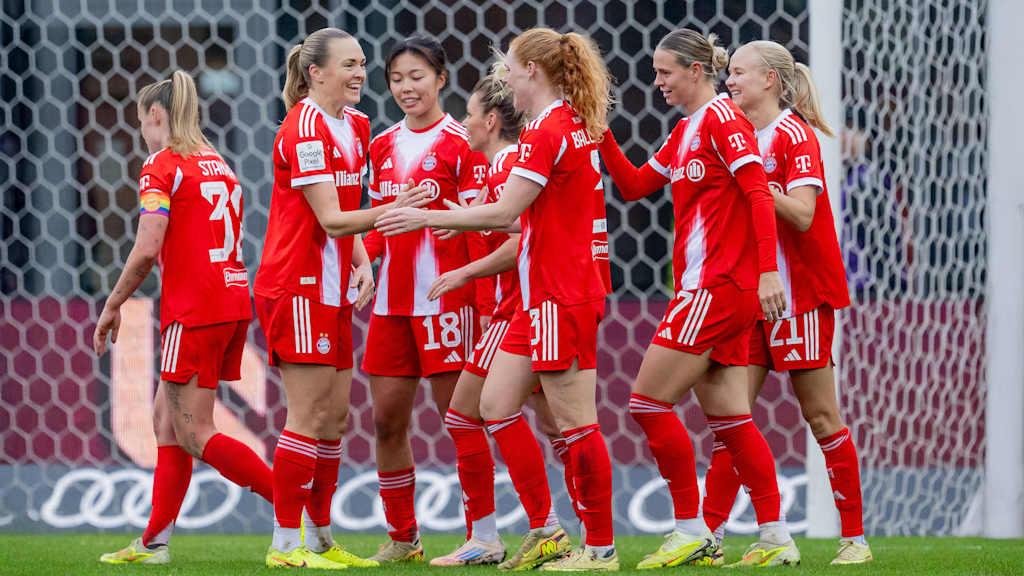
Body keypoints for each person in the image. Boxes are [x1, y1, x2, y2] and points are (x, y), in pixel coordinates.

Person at [376, 27, 619, 571]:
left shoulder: (545, 133)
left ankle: (598, 548)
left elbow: (506, 215)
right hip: (542, 296)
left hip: (559, 292)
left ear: (531, 70)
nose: (504, 74)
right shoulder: (567, 125)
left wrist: (427, 216)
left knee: (575, 422)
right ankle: (547, 529)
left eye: (508, 65)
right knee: (489, 408)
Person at [596, 29, 801, 567]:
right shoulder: (687, 129)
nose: (657, 82)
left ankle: (690, 528)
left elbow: (758, 191)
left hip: (718, 287)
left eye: (665, 72)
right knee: (731, 417)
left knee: (646, 402)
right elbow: (637, 185)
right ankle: (777, 537)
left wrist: (767, 274)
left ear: (695, 70)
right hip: (715, 288)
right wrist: (601, 135)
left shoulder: (724, 119)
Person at [254, 27, 428, 569]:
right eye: (349, 65)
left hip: (330, 287)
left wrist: (361, 263)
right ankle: (285, 545)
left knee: (333, 421)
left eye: (361, 63)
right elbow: (331, 218)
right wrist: (397, 208)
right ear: (316, 73)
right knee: (306, 416)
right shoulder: (304, 127)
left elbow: (344, 217)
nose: (359, 74)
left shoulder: (355, 124)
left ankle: (322, 540)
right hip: (297, 286)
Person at [700, 39, 870, 566]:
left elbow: (800, 214)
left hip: (799, 294)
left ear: (770, 80)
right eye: (727, 74)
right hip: (750, 296)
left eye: (740, 73)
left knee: (821, 416)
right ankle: (708, 536)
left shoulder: (793, 134)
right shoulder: (734, 134)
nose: (730, 82)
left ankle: (854, 540)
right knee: (732, 417)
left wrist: (749, 183)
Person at [93, 70, 273, 565]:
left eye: (141, 124)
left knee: (194, 433)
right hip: (232, 301)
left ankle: (300, 516)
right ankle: (154, 543)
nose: (142, 135)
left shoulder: (162, 164)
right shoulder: (217, 162)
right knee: (164, 423)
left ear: (155, 116)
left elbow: (148, 246)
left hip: (194, 308)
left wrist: (111, 306)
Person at [357, 35, 490, 564]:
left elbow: (483, 224)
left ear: (440, 78)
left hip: (445, 301)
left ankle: (482, 533)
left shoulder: (462, 142)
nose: (406, 88)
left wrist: (473, 286)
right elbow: (378, 221)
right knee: (386, 421)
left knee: (459, 419)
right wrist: (365, 262)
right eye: (396, 79)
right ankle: (403, 538)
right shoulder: (382, 144)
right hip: (392, 304)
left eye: (417, 76)